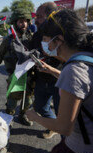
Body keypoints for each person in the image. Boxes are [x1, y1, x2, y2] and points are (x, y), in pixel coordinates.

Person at [26, 9, 93, 153]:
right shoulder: (92, 56)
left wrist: (35, 117)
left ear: (59, 40)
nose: (44, 44)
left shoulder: (74, 69)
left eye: (46, 40)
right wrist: (52, 70)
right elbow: (84, 86)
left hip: (81, 152)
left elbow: (63, 127)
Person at [28, 2, 63, 139]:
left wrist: (51, 66)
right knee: (40, 107)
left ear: (51, 17)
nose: (35, 20)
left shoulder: (62, 37)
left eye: (39, 16)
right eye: (35, 16)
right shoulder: (36, 35)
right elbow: (30, 53)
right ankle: (53, 125)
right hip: (41, 80)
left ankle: (65, 146)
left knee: (63, 117)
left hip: (59, 82)